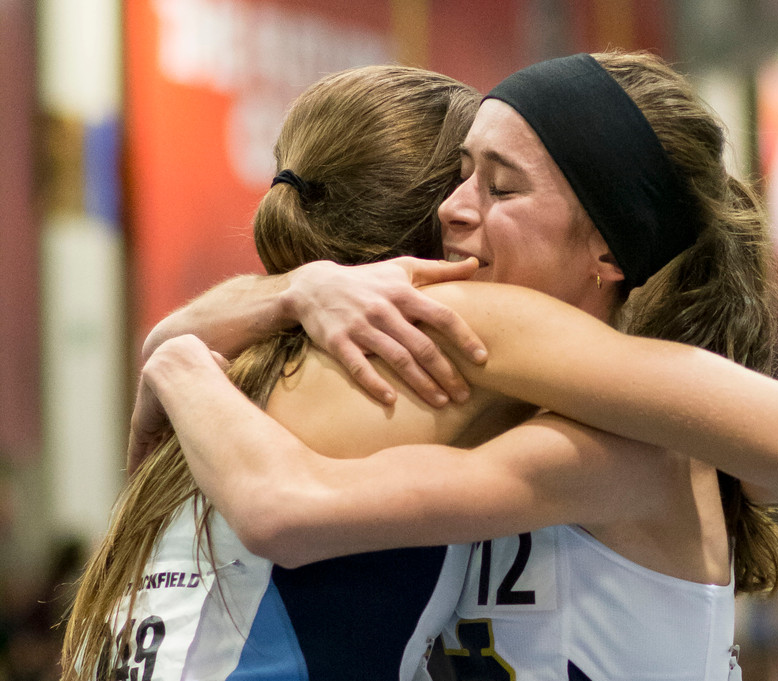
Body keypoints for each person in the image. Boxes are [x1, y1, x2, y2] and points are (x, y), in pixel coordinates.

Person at [134, 52, 778, 681]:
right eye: (459, 173)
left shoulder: (631, 439)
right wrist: (296, 288)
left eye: (500, 187)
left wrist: (179, 359)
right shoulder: (502, 399)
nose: (451, 208)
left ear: (609, 249)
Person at [61, 64, 491, 681]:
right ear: (446, 217)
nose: (480, 208)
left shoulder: (232, 360)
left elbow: (167, 337)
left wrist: (272, 301)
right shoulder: (430, 358)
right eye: (486, 183)